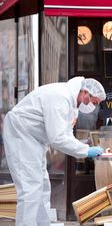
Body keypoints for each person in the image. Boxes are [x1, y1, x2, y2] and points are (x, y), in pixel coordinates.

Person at [2, 76, 106, 226]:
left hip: (33, 139)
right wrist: (86, 151)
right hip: (21, 134)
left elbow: (66, 134)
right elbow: (58, 139)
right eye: (94, 102)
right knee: (30, 188)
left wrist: (83, 147)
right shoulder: (60, 97)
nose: (93, 107)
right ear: (85, 92)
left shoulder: (72, 105)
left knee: (43, 186)